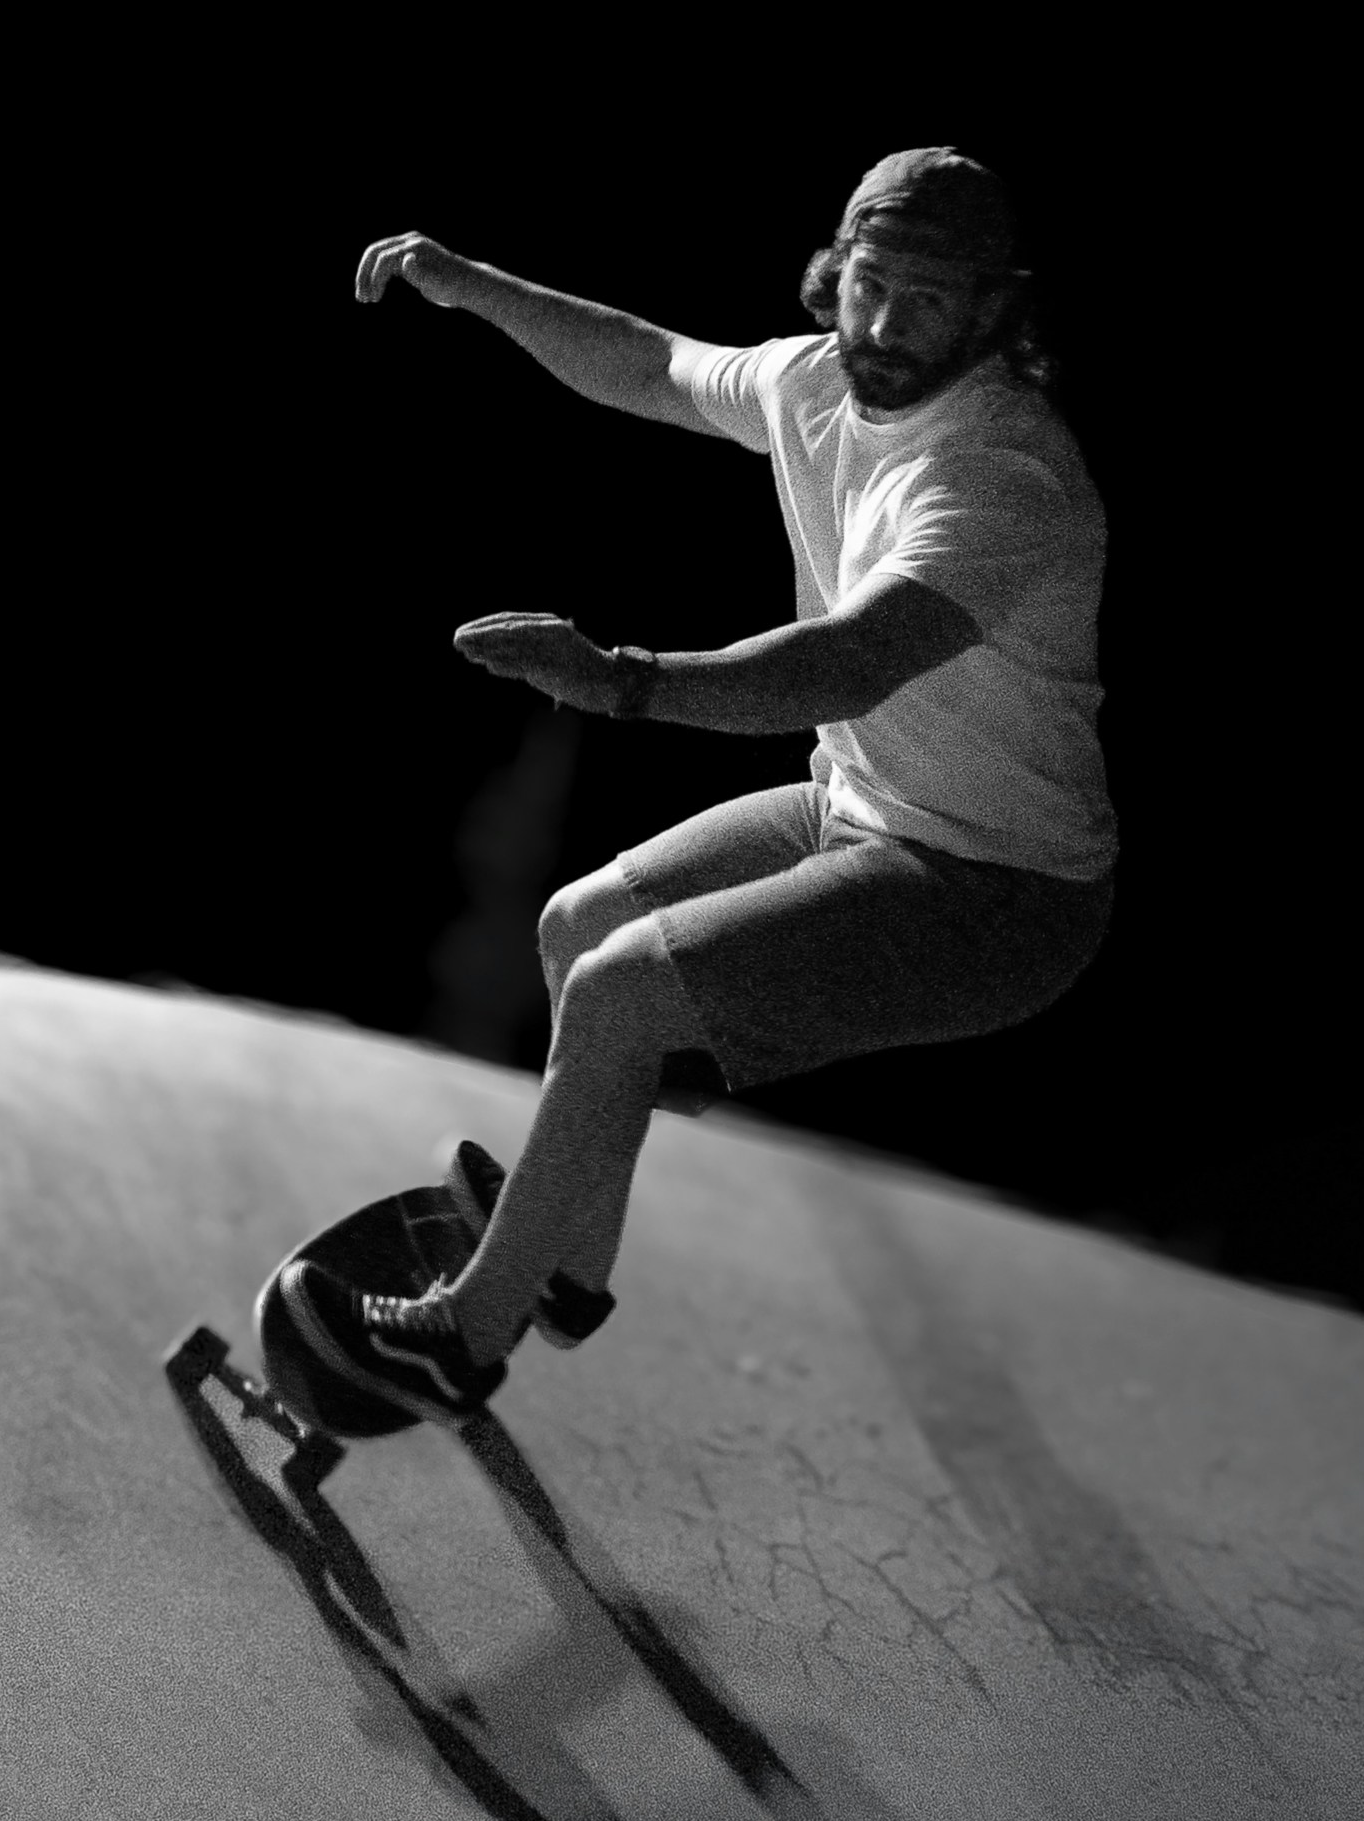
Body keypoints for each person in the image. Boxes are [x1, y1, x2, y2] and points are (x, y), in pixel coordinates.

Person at [268, 145, 1119, 1425]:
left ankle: (459, 1337)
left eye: (930, 298)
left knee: (619, 996)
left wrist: (616, 678)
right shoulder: (815, 379)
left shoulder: (998, 475)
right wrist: (471, 284)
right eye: (871, 282)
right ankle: (568, 1266)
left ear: (999, 308)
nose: (884, 326)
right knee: (578, 927)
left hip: (997, 897)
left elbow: (841, 665)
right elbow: (646, 359)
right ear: (834, 270)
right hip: (859, 811)